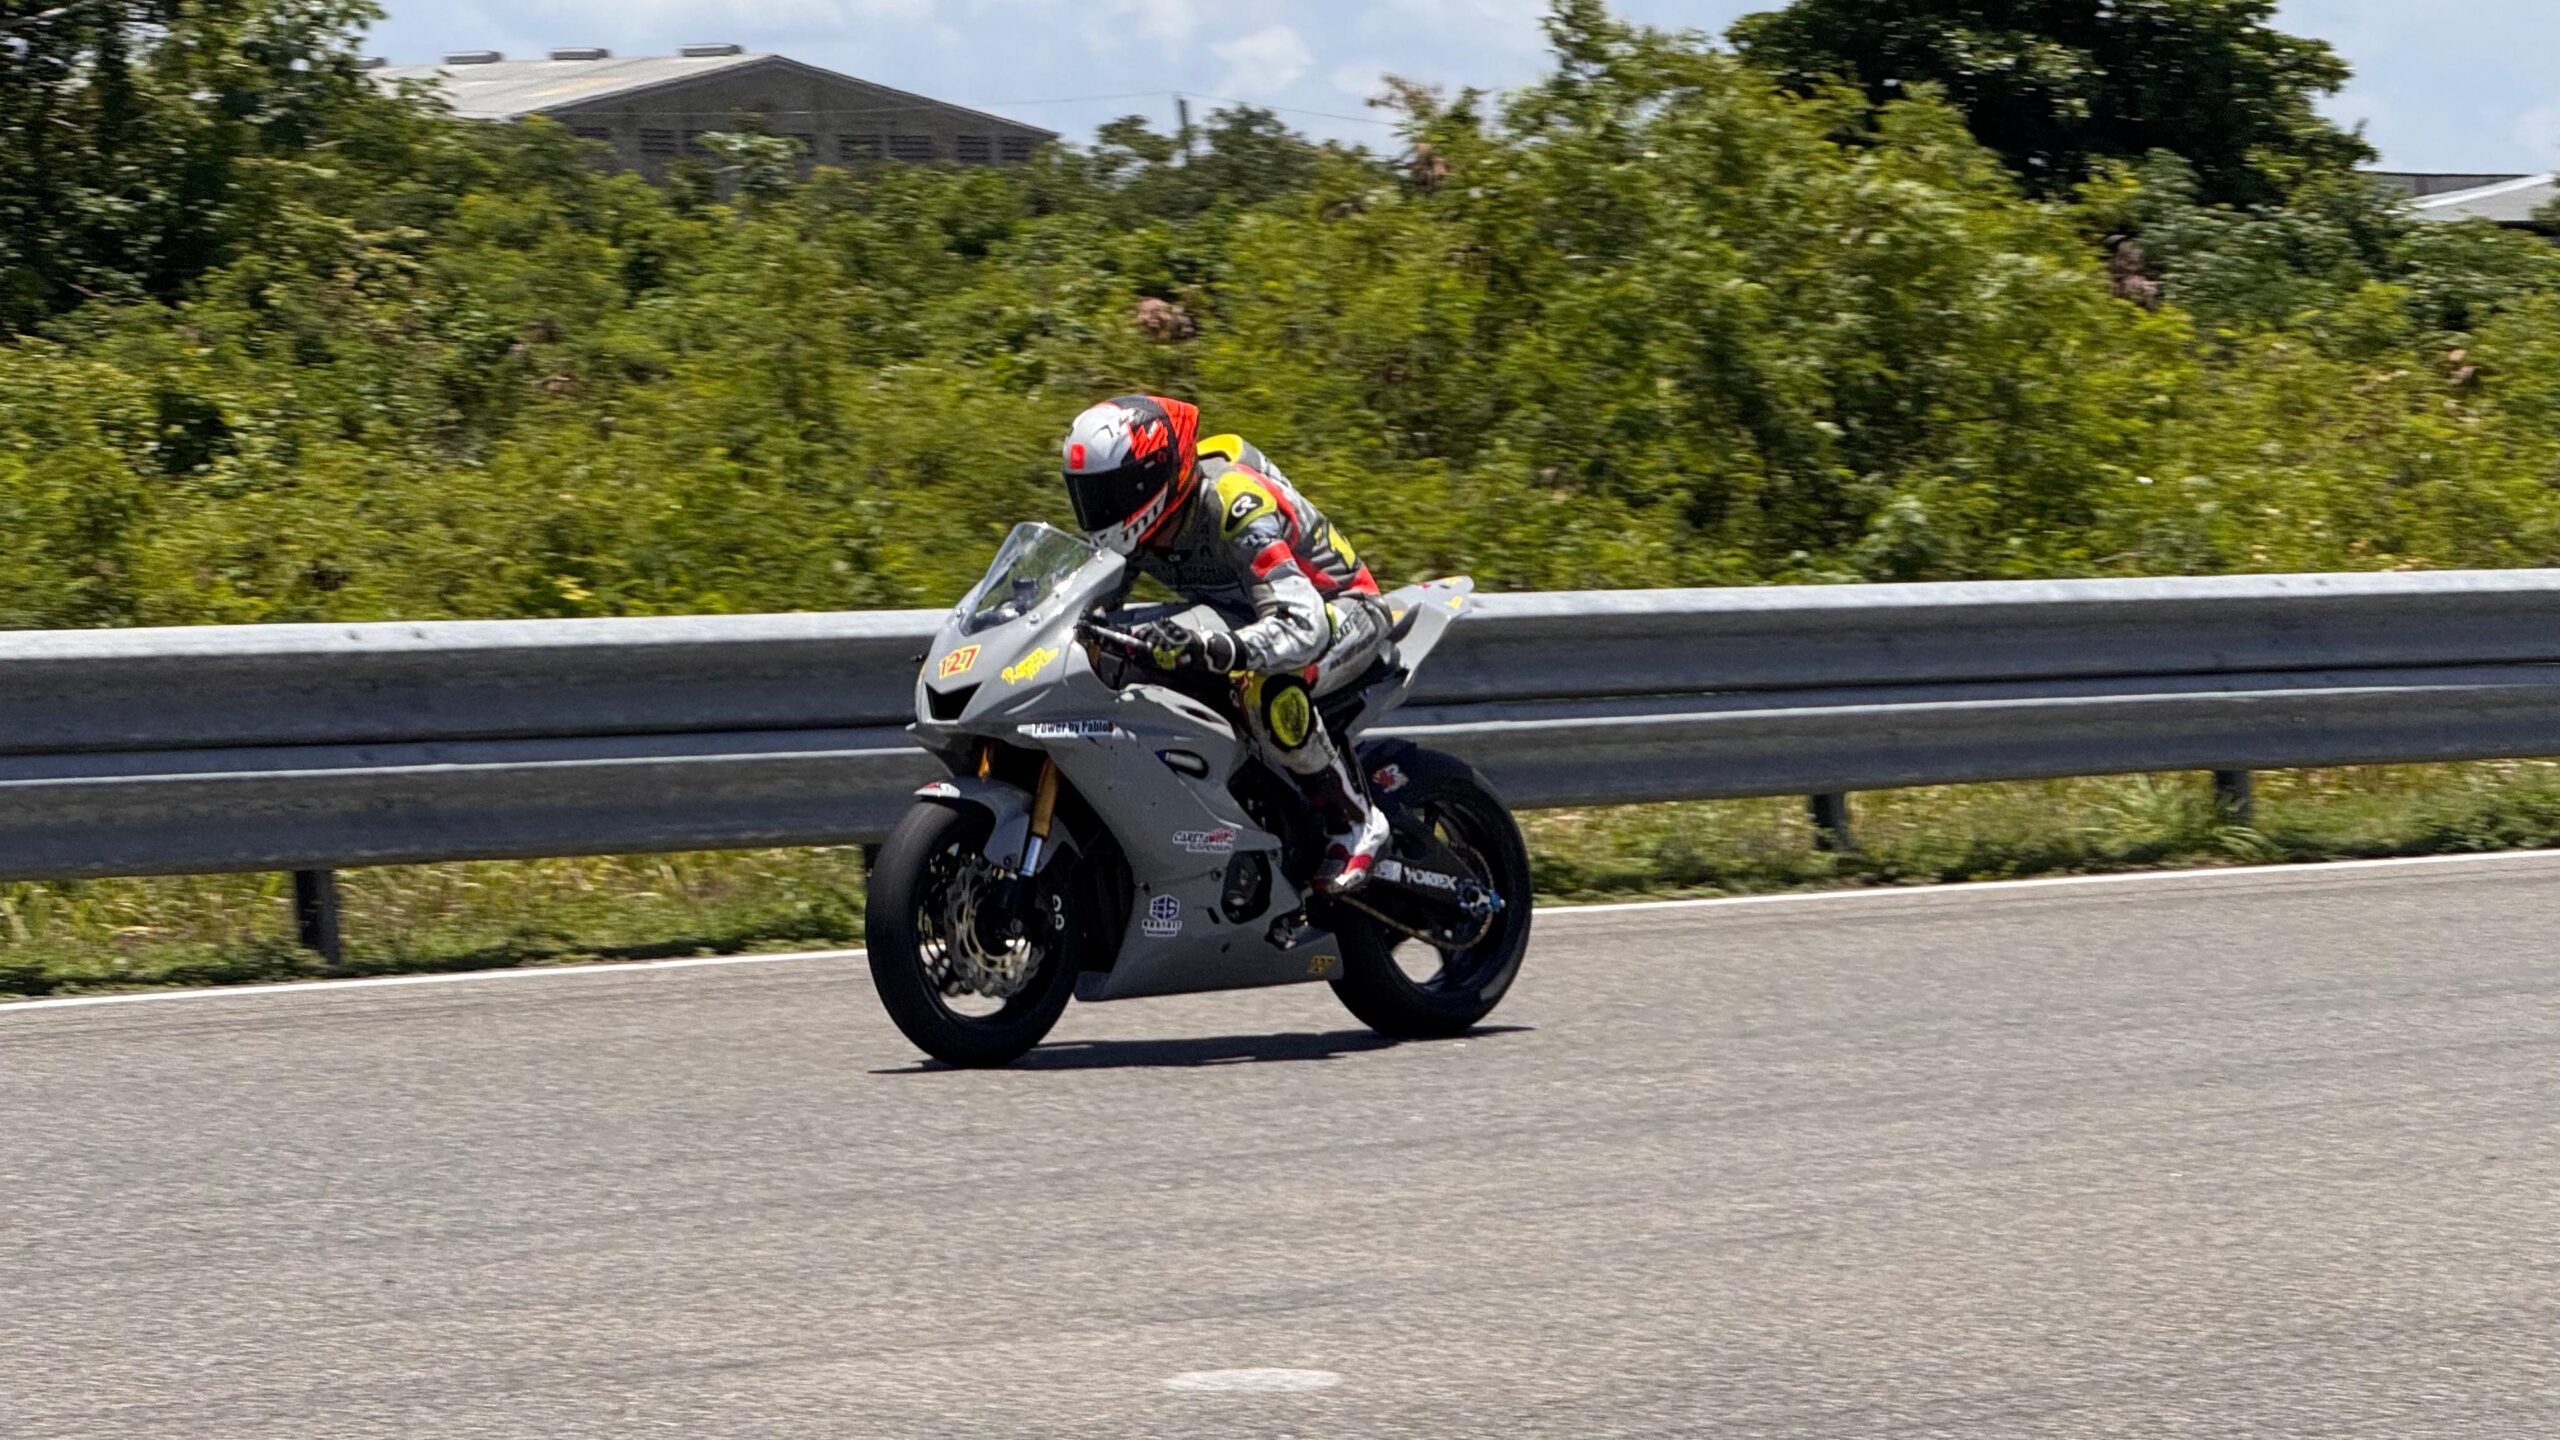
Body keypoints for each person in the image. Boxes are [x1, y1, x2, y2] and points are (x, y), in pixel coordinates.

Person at [1060, 393, 1392, 893]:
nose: (1098, 509)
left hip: (1337, 609)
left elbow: (1303, 625)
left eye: (1111, 491)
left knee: (1267, 689)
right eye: (1088, 494)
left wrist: (1221, 648)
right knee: (1115, 648)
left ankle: (1355, 822)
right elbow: (1087, 607)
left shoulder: (1234, 504)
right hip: (1246, 613)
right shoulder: (1134, 528)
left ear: (1154, 477)